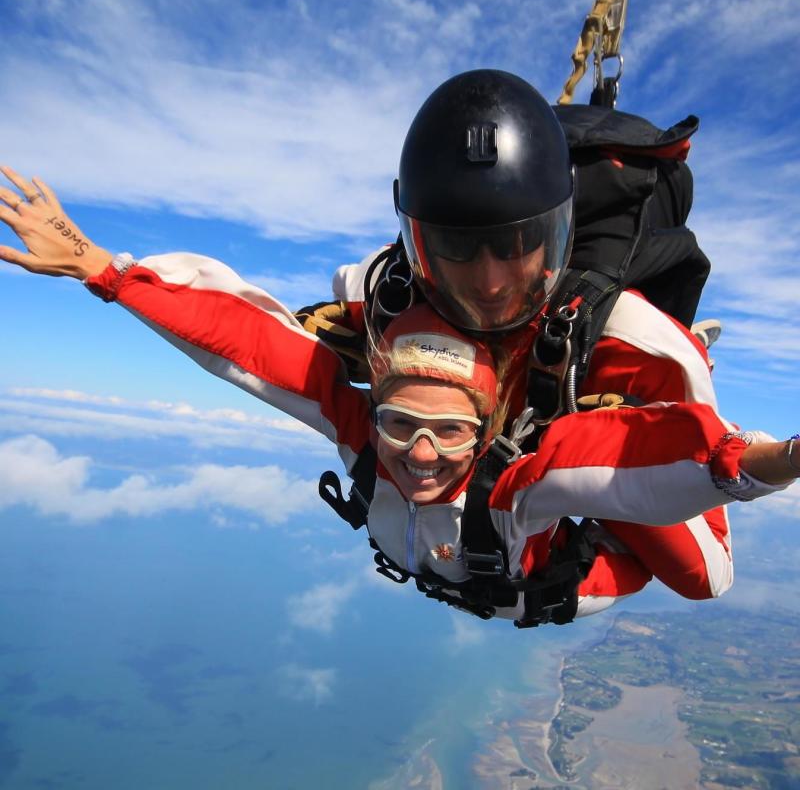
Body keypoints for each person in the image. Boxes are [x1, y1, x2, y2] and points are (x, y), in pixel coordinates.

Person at [0, 167, 798, 627]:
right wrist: (100, 268)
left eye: (448, 432)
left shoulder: (521, 484)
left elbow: (628, 457)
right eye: (399, 422)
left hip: (560, 578)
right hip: (474, 570)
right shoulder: (364, 440)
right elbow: (251, 348)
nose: (418, 452)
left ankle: (645, 382)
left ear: (487, 431)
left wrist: (772, 458)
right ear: (372, 412)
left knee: (704, 577)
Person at [325, 69, 743, 602]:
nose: (489, 284)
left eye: (515, 244)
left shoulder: (638, 344)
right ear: (418, 243)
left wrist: (586, 456)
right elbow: (318, 312)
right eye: (457, 247)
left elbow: (711, 570)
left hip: (591, 434)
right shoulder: (388, 294)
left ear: (556, 232)